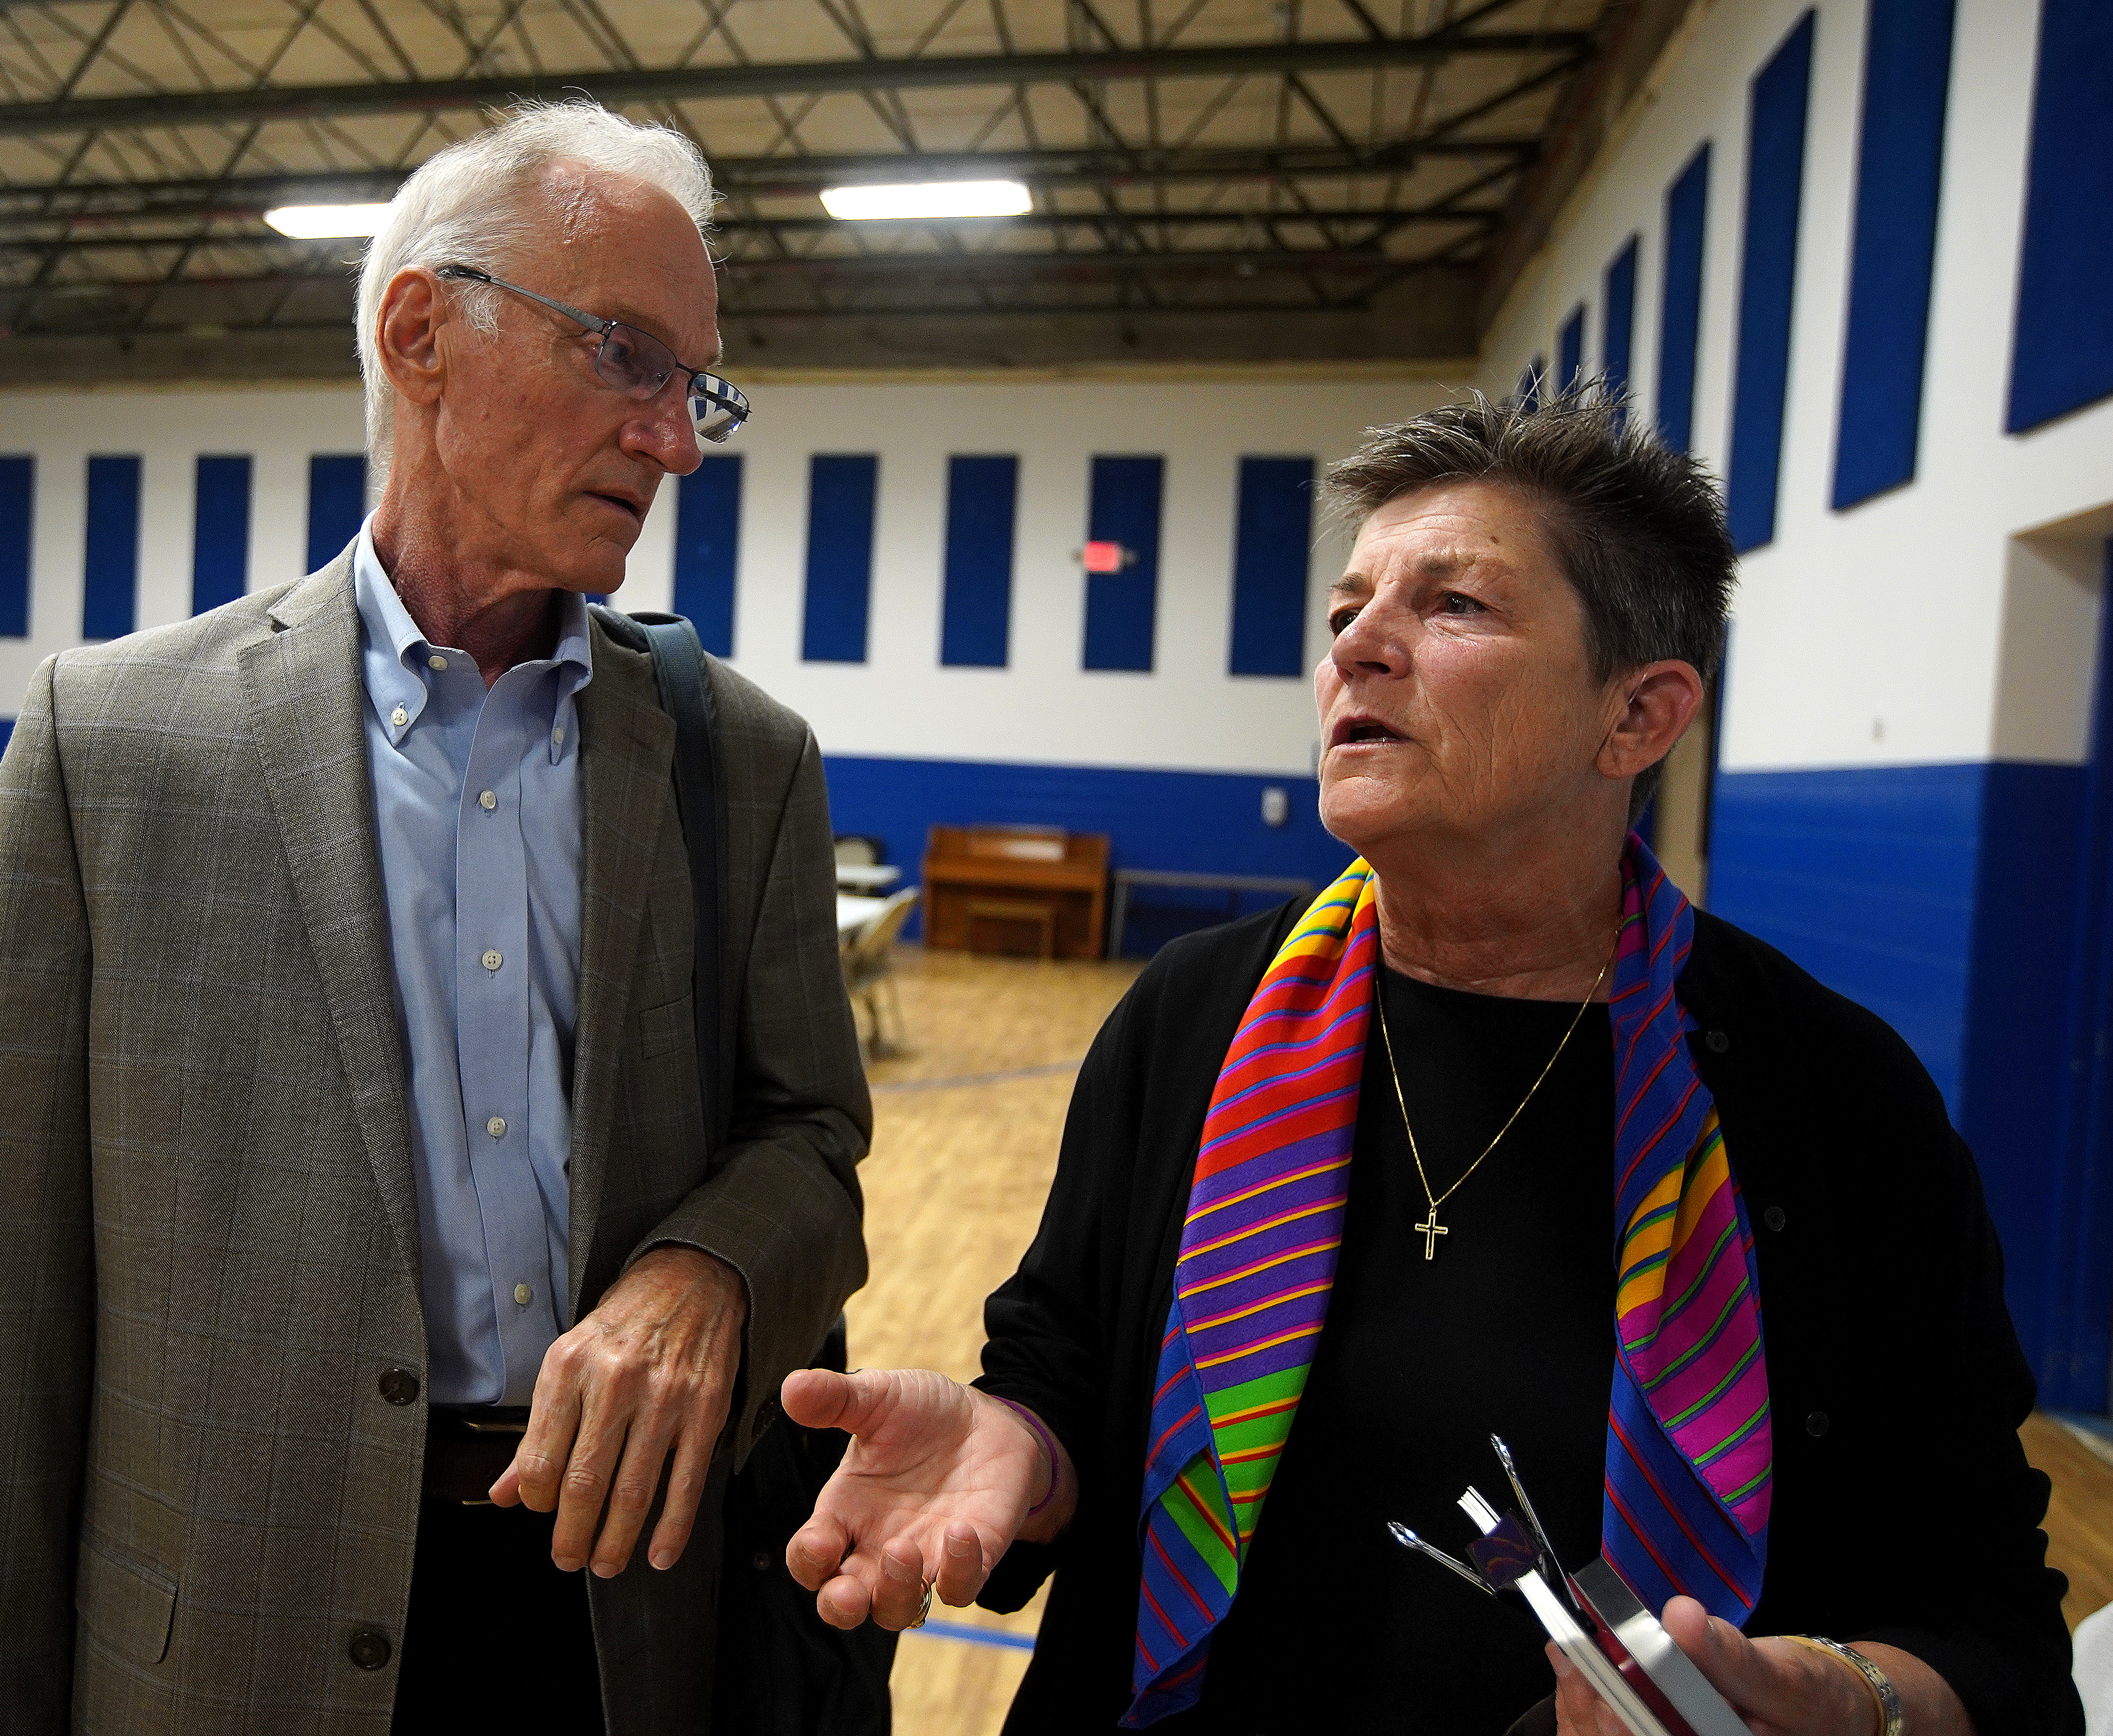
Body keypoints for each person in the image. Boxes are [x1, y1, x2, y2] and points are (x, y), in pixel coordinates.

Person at [782, 392, 2080, 1735]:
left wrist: (1840, 1699)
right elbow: (1065, 1374)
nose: (1359, 646)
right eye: (1349, 607)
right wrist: (1024, 1449)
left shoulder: (1835, 1103)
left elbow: (1994, 1632)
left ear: (1637, 715)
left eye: (1453, 604)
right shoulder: (1194, 1015)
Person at [0, 102, 871, 1735]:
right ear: (422, 332)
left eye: (695, 385)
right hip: (222, 1646)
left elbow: (814, 1138)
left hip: (620, 1627)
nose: (678, 440)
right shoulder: (113, 745)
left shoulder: (739, 760)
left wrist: (704, 1268)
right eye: (627, 356)